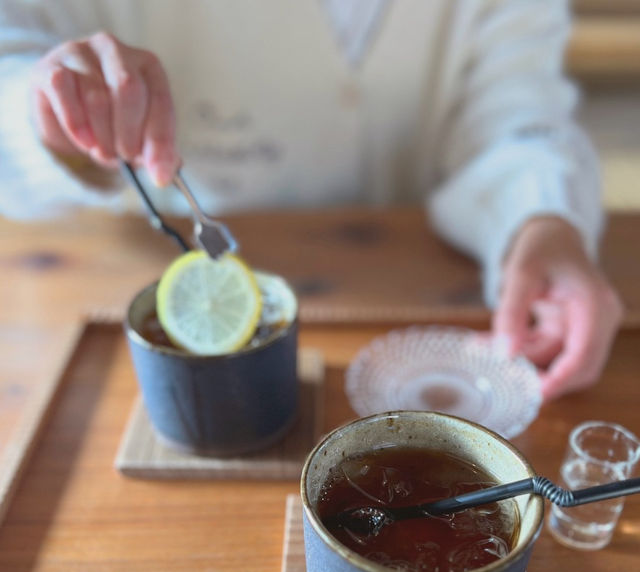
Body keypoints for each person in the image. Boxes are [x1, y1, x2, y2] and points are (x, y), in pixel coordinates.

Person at [0, 0, 623, 400]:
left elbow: (520, 111)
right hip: (107, 316)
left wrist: (542, 217)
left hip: (419, 308)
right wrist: (45, 108)